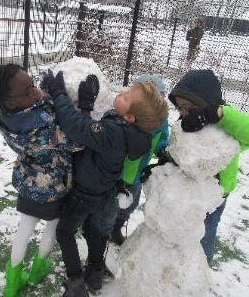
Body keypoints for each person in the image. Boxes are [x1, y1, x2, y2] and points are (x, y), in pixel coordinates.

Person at [41, 71, 168, 296]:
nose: (122, 92)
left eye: (127, 97)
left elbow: (77, 127)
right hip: (103, 190)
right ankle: (96, 273)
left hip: (83, 191)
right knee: (92, 230)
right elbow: (93, 133)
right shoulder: (133, 132)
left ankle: (76, 281)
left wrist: (59, 94)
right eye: (126, 91)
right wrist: (87, 105)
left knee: (65, 232)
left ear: (130, 117)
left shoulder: (114, 132)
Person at [0, 64, 99, 297]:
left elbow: (35, 106)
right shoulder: (43, 123)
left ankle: (13, 279)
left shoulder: (6, 119)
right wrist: (83, 109)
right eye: (28, 91)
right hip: (53, 187)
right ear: (11, 102)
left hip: (28, 182)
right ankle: (38, 269)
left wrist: (44, 96)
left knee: (25, 228)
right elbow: (77, 141)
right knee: (51, 228)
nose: (36, 92)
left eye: (33, 84)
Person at [168, 69, 249, 263]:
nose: (183, 113)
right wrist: (165, 162)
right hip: (189, 190)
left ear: (206, 103)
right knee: (182, 228)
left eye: (188, 108)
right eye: (180, 109)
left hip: (215, 195)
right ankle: (179, 263)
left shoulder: (227, 125)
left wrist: (218, 114)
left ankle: (202, 263)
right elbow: (178, 152)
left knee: (205, 232)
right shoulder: (186, 123)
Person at [107, 74, 170, 246]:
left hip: (136, 173)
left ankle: (115, 228)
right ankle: (103, 228)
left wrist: (162, 149)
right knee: (110, 203)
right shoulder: (125, 114)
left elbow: (162, 137)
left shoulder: (160, 121)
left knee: (130, 204)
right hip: (115, 171)